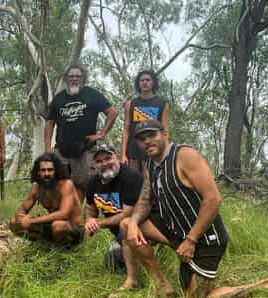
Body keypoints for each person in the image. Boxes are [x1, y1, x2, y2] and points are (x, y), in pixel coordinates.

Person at [120, 119, 268, 298]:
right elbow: (146, 198)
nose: (147, 141)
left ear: (164, 134)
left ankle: (260, 286)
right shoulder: (150, 164)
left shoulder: (184, 155)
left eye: (152, 135)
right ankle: (162, 285)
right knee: (126, 225)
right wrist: (132, 222)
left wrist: (191, 240)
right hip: (176, 233)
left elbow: (213, 199)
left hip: (204, 239)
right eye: (141, 138)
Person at [45, 64, 118, 201]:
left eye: (78, 76)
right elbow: (49, 123)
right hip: (62, 150)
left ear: (83, 78)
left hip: (85, 150)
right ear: (66, 79)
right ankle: (64, 216)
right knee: (60, 185)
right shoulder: (59, 99)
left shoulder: (92, 94)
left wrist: (101, 134)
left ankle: (81, 217)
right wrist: (48, 147)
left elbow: (112, 112)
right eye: (71, 76)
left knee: (84, 185)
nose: (74, 79)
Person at [84, 144, 143, 291]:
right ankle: (127, 253)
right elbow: (90, 208)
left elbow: (127, 213)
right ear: (94, 164)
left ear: (116, 156)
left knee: (125, 224)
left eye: (108, 158)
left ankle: (135, 275)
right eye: (99, 161)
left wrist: (100, 223)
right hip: (118, 233)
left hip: (141, 226)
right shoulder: (93, 183)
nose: (104, 164)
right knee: (112, 263)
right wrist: (90, 220)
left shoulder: (131, 177)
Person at [9, 153, 84, 247]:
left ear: (56, 171)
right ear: (38, 172)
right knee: (13, 223)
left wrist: (32, 221)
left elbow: (64, 214)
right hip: (52, 226)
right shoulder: (36, 187)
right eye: (43, 170)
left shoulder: (66, 185)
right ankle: (46, 245)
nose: (47, 173)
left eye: (50, 170)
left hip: (73, 228)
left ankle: (65, 251)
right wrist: (21, 217)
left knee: (58, 226)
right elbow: (23, 208)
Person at [121, 70, 170, 172]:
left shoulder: (162, 103)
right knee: (134, 184)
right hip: (133, 153)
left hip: (154, 151)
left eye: (148, 80)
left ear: (153, 83)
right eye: (142, 80)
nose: (144, 82)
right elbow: (126, 129)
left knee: (153, 185)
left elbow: (165, 130)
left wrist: (166, 152)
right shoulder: (130, 104)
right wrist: (123, 154)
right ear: (138, 84)